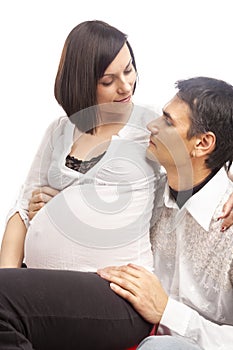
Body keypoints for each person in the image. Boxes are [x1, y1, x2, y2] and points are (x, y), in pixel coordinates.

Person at [0, 19, 159, 272]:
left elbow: (206, 161)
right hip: (40, 280)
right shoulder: (59, 130)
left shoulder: (152, 124)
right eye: (108, 81)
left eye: (128, 70)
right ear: (82, 83)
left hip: (113, 284)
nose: (125, 86)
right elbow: (22, 208)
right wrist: (7, 278)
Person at [97, 76, 233, 350]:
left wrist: (167, 312)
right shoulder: (145, 194)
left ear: (203, 144)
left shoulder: (228, 227)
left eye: (168, 122)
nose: (152, 126)